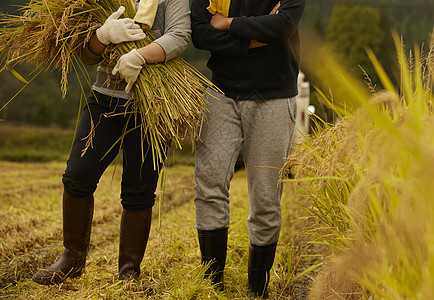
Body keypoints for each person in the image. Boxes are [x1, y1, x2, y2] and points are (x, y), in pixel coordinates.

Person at [31, 0, 191, 288]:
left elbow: (179, 37)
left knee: (139, 190)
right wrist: (102, 36)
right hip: (103, 100)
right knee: (77, 176)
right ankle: (72, 260)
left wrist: (138, 56)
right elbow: (86, 54)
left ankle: (129, 272)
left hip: (151, 107)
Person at [190, 0, 305, 298]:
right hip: (221, 92)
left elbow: (284, 25)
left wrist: (229, 25)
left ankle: (258, 290)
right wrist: (257, 37)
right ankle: (212, 285)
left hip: (274, 97)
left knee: (266, 198)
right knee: (209, 185)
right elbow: (201, 33)